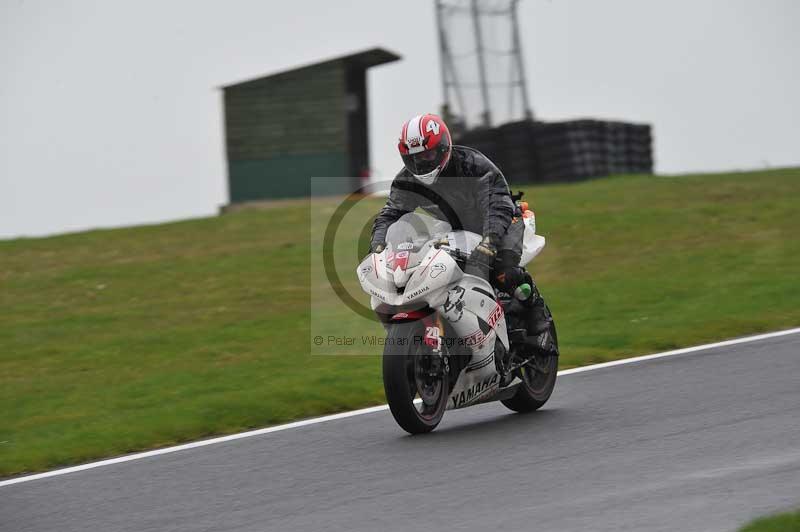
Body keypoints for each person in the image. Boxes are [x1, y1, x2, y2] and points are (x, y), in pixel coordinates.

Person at [370, 113, 556, 357]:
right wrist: (378, 245)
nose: (422, 163)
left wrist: (490, 241)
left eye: (427, 155)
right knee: (425, 271)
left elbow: (497, 205)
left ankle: (535, 308)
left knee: (503, 270)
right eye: (414, 158)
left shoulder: (473, 164)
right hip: (454, 229)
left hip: (501, 220)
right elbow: (389, 214)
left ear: (443, 148)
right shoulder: (407, 180)